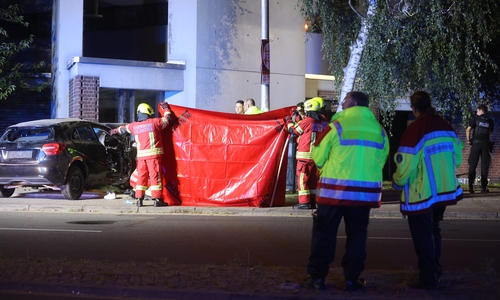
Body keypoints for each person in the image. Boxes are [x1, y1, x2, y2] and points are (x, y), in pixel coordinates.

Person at [304, 91, 389, 291]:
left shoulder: (336, 127)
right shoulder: (379, 130)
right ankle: (351, 279)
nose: (341, 104)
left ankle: (317, 279)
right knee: (358, 237)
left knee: (324, 235)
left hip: (334, 193)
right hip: (363, 195)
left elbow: (318, 157)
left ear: (352, 103)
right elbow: (382, 159)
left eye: (344, 101)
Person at [392, 91, 463, 290]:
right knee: (434, 231)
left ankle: (428, 278)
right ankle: (435, 272)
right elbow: (456, 158)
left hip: (421, 194)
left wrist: (397, 181)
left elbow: (406, 164)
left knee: (422, 236)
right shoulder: (446, 127)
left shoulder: (416, 129)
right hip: (444, 192)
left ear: (414, 108)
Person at [110, 102, 175, 207]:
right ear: (148, 112)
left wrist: (113, 131)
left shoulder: (134, 126)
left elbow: (123, 129)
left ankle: (139, 199)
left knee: (141, 177)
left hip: (141, 158)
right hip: (153, 156)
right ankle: (157, 200)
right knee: (155, 177)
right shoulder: (155, 122)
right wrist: (166, 108)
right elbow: (168, 119)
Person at [287, 97, 327, 210]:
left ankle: (304, 203)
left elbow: (294, 131)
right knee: (313, 181)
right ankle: (314, 201)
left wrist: (289, 121)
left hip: (305, 156)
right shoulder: (323, 121)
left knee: (302, 179)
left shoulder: (308, 121)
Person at [466, 104, 494, 193]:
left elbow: (468, 129)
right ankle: (483, 188)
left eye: (477, 111)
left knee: (472, 165)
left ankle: (471, 187)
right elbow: (489, 134)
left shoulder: (476, 119)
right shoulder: (490, 121)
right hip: (485, 145)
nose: (476, 112)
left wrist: (468, 140)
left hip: (476, 144)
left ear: (481, 111)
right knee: (485, 167)